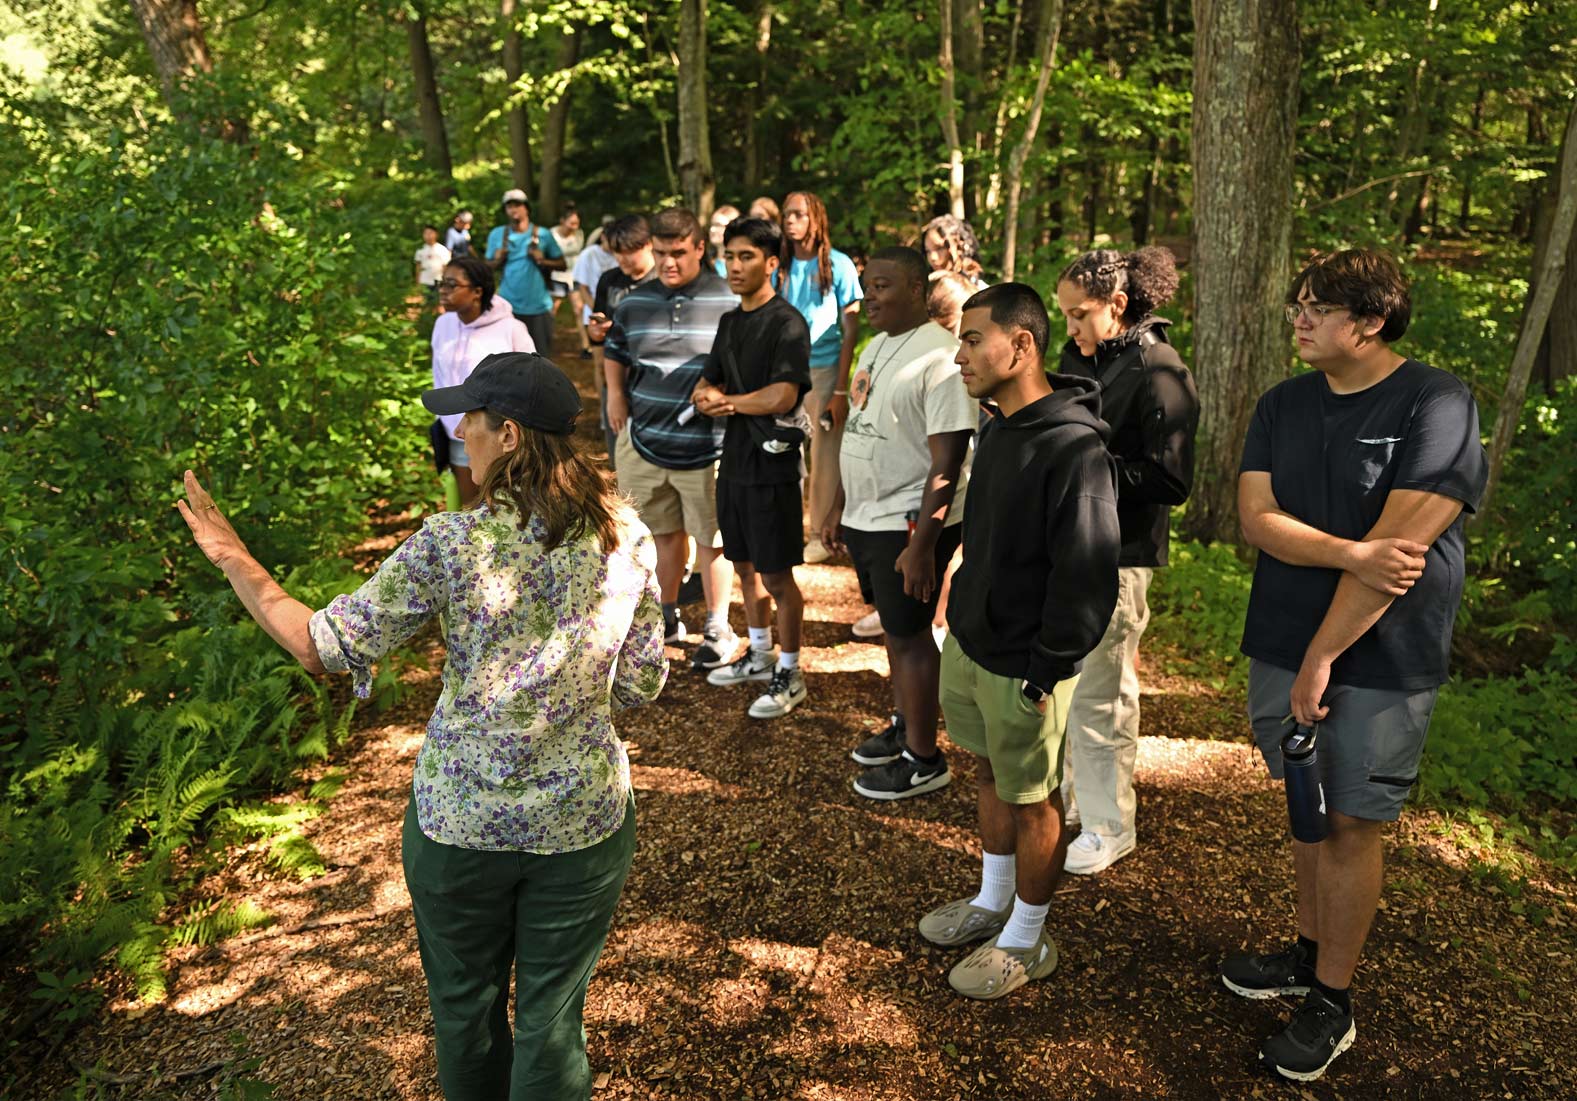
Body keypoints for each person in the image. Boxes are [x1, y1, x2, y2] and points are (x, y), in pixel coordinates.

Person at [175, 352, 667, 1100]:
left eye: (469, 417)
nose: (458, 429)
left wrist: (231, 555)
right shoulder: (625, 536)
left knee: (465, 1014)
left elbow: (320, 646)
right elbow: (639, 681)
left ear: (506, 435)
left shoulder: (450, 543)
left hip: (459, 827)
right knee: (552, 1023)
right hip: (582, 824)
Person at [1222, 249, 1487, 1082]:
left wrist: (1323, 655)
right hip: (1279, 636)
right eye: (1297, 302)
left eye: (1316, 307)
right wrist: (1345, 550)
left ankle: (1331, 1000)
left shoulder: (1436, 401)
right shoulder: (1281, 403)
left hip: (1379, 653)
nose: (1297, 318)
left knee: (1349, 822)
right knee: (1307, 806)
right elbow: (1257, 519)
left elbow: (1399, 553)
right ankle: (1304, 955)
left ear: (1368, 322)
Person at [921, 282, 1120, 1001]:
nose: (960, 353)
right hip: (973, 644)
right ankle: (992, 899)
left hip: (1027, 664)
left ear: (1021, 344)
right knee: (988, 774)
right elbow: (987, 534)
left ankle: (1026, 937)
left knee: (1034, 799)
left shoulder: (1074, 447)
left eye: (974, 339)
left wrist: (1046, 668)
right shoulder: (997, 424)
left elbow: (1086, 573)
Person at [1052, 247, 1199, 876]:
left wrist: (1085, 468)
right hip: (1068, 546)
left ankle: (1112, 825)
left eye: (1079, 314)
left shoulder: (1161, 370)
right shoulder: (1087, 357)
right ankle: (1080, 804)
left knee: (1104, 695)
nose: (1071, 329)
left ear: (1118, 304)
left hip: (1121, 553)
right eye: (1063, 316)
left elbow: (1171, 479)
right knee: (1064, 684)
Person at [820, 246, 973, 801]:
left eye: (882, 286)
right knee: (894, 631)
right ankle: (906, 723)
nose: (868, 297)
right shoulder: (876, 345)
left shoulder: (942, 357)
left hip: (909, 523)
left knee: (910, 637)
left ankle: (925, 758)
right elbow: (858, 426)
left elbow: (947, 460)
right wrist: (838, 505)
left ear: (916, 290)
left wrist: (924, 544)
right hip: (868, 514)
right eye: (866, 284)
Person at [602, 207, 741, 670]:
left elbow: (749, 369)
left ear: (701, 248)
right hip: (644, 441)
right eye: (660, 253)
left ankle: (718, 625)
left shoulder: (729, 300)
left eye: (679, 253)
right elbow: (615, 350)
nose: (669, 263)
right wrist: (616, 397)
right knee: (660, 534)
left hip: (709, 447)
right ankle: (666, 614)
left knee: (712, 539)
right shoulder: (634, 301)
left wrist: (726, 395)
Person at [693, 216, 813, 718]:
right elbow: (707, 382)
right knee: (743, 564)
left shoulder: (788, 323)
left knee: (777, 573)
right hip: (735, 461)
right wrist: (705, 397)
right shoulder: (729, 322)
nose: (735, 266)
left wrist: (730, 402)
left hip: (773, 465)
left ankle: (791, 669)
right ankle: (760, 653)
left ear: (771, 264)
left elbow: (784, 395)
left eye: (746, 257)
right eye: (730, 255)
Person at [780, 191, 863, 565]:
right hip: (782, 371)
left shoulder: (839, 265)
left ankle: (819, 535)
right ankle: (785, 529)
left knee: (825, 454)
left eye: (798, 214)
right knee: (784, 450)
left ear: (816, 218)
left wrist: (841, 388)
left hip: (825, 369)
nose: (791, 221)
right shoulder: (776, 265)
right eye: (786, 215)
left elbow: (851, 329)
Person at [431, 256, 535, 507]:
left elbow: (531, 382)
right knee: (470, 508)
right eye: (441, 284)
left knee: (505, 505)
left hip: (502, 438)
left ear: (477, 291)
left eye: (452, 285)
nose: (443, 291)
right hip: (456, 433)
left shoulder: (511, 329)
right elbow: (439, 374)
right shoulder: (443, 324)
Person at [587, 215, 659, 465]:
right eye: (616, 252)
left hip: (655, 382)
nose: (621, 259)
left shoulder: (664, 280)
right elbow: (596, 325)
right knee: (620, 454)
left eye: (628, 252)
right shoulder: (610, 280)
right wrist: (596, 331)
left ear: (649, 244)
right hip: (617, 378)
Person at [487, 189, 565, 357]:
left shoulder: (543, 234)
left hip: (538, 306)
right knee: (508, 357)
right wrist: (497, 259)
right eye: (509, 206)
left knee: (541, 357)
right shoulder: (497, 235)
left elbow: (562, 264)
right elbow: (486, 268)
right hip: (507, 306)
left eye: (517, 205)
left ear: (527, 208)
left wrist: (543, 260)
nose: (513, 209)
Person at [549, 202, 589, 354]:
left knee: (579, 309)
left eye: (577, 223)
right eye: (571, 223)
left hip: (574, 276)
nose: (574, 226)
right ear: (562, 221)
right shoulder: (552, 234)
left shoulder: (579, 233)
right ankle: (546, 341)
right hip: (557, 277)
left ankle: (586, 346)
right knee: (552, 310)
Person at [919, 214, 987, 288]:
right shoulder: (927, 290)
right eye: (928, 251)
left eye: (939, 248)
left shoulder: (980, 291)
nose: (932, 257)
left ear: (959, 246)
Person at [414, 225, 451, 311]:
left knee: (438, 303)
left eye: (430, 233)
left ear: (436, 234)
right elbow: (418, 266)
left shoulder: (442, 250)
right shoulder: (420, 250)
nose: (428, 235)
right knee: (425, 303)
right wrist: (417, 281)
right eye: (426, 233)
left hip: (438, 280)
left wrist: (445, 281)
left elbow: (446, 266)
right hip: (425, 281)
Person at [708, 204, 741, 277]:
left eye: (718, 225)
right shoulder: (706, 261)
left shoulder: (742, 263)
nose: (712, 230)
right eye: (712, 225)